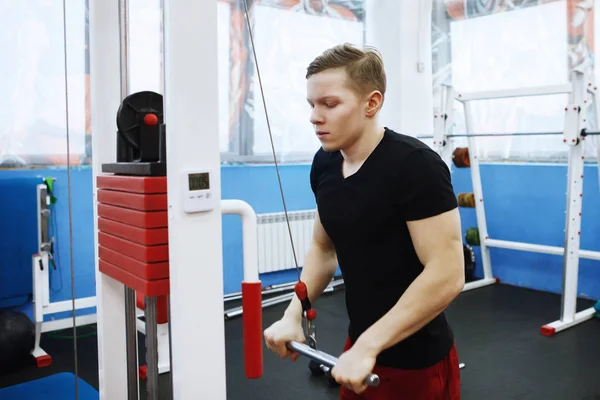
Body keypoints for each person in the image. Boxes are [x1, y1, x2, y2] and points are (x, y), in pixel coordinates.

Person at [263, 43, 464, 400]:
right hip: (359, 349)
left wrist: (369, 345)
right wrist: (294, 313)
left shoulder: (416, 166)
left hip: (416, 361)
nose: (314, 116)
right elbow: (324, 250)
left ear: (371, 103)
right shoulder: (325, 163)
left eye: (330, 104)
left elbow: (447, 273)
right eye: (312, 104)